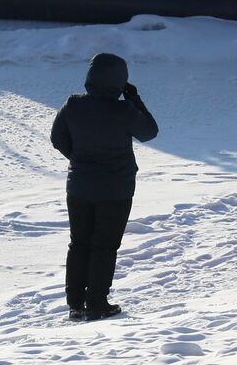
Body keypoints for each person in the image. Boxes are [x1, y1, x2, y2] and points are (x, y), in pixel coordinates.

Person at [50, 53, 159, 321]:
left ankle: (75, 304)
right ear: (120, 81)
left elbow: (57, 138)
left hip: (79, 187)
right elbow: (150, 132)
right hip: (115, 190)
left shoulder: (73, 105)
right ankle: (97, 303)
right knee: (105, 245)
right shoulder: (124, 110)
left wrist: (79, 159)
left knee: (79, 243)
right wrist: (134, 98)